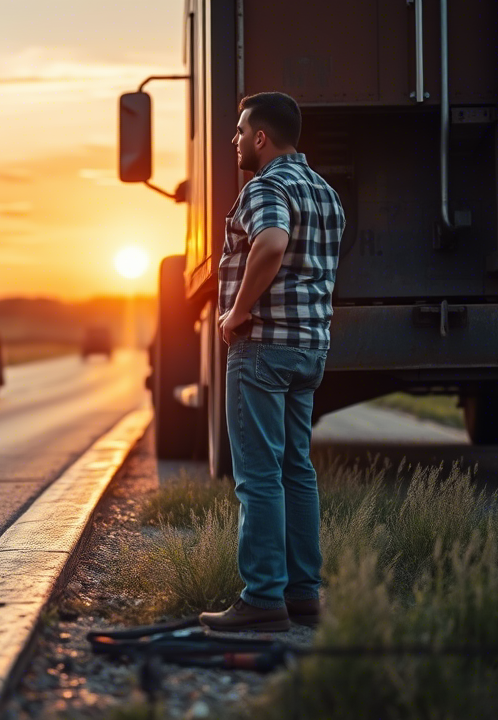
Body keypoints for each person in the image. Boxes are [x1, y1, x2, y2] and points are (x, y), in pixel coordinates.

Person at [199, 92, 345, 632]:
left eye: (240, 131)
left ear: (261, 137)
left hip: (263, 348)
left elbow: (271, 242)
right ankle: (305, 595)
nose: (234, 140)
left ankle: (262, 599)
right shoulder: (327, 194)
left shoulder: (266, 186)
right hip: (310, 348)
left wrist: (236, 313)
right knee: (297, 472)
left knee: (258, 478)